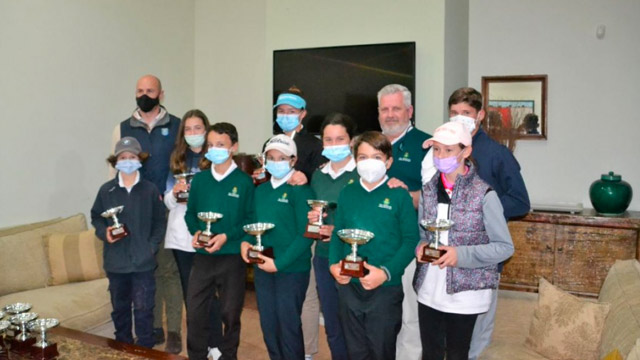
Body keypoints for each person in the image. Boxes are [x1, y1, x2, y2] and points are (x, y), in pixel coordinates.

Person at [413, 121, 514, 360]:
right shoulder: (427, 190)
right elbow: (423, 236)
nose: (441, 156)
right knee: (430, 353)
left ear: (465, 151)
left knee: (458, 354)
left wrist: (461, 255)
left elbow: (504, 247)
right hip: (429, 289)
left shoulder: (485, 195)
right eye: (436, 150)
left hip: (465, 294)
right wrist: (421, 247)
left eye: (448, 150)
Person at [329, 131, 419, 360]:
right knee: (355, 349)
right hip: (350, 285)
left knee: (381, 348)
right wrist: (333, 265)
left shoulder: (399, 195)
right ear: (355, 160)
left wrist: (386, 272)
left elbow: (411, 240)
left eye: (377, 157)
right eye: (362, 157)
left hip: (385, 288)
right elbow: (339, 234)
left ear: (388, 162)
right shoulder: (348, 192)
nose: (369, 163)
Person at [111, 74, 183, 348]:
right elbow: (114, 168)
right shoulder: (121, 127)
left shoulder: (176, 126)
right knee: (145, 270)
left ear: (161, 94)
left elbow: (181, 165)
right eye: (140, 90)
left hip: (167, 208)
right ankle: (153, 328)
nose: (144, 95)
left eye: (150, 90)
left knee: (168, 270)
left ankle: (174, 330)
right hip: (134, 211)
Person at [240, 134, 314, 360]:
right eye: (270, 157)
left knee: (288, 324)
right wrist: (246, 242)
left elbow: (307, 234)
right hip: (263, 267)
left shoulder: (301, 191)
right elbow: (251, 221)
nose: (275, 162)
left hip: (291, 269)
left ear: (293, 160)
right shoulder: (260, 190)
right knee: (269, 324)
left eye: (281, 158)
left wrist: (279, 263)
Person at [184, 123, 254, 360]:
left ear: (233, 147)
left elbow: (249, 219)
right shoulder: (200, 180)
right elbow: (190, 214)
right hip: (203, 257)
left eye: (221, 145)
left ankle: (228, 355)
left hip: (232, 256)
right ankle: (196, 355)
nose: (214, 149)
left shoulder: (244, 182)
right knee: (194, 311)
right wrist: (195, 232)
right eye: (211, 145)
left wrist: (227, 236)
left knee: (230, 313)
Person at [90, 137, 166, 348]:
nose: (127, 161)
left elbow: (160, 221)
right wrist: (104, 232)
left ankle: (145, 349)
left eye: (132, 157)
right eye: (123, 157)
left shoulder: (150, 189)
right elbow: (96, 216)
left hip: (143, 263)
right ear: (115, 161)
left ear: (139, 159)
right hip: (116, 263)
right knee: (120, 310)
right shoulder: (106, 191)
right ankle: (122, 349)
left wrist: (151, 246)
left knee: (144, 309)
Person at [377, 84, 430, 360]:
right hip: (374, 244)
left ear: (409, 111)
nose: (390, 115)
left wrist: (405, 197)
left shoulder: (426, 145)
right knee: (379, 312)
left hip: (410, 243)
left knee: (410, 315)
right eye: (384, 109)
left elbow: (437, 197)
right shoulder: (369, 144)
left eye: (396, 108)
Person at [272, 86, 325, 359]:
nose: (286, 116)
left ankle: (307, 351)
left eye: (291, 112)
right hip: (279, 227)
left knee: (307, 293)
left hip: (305, 227)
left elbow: (321, 186)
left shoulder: (314, 146)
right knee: (281, 295)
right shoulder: (272, 142)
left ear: (303, 114)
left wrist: (306, 177)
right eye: (281, 111)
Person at [163, 109, 221, 356]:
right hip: (181, 237)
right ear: (182, 134)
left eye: (198, 128)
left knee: (211, 293)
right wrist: (175, 193)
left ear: (206, 130)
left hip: (209, 235)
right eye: (188, 129)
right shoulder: (177, 160)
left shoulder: (215, 158)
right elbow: (167, 201)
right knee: (191, 294)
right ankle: (198, 346)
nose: (193, 133)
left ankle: (216, 343)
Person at [306, 113, 358, 360]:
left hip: (355, 258)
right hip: (324, 257)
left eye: (340, 139)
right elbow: (316, 212)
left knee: (356, 324)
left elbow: (364, 218)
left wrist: (335, 231)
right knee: (333, 325)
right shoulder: (318, 175)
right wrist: (313, 219)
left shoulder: (362, 173)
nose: (334, 144)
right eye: (328, 139)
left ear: (351, 140)